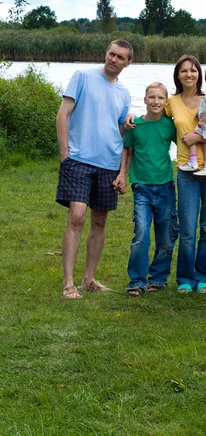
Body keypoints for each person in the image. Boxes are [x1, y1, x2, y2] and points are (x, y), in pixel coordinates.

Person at [56, 39, 133, 300]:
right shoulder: (83, 77)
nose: (114, 59)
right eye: (112, 54)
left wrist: (123, 171)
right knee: (77, 216)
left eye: (120, 57)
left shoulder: (124, 93)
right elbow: (63, 114)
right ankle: (68, 283)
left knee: (99, 221)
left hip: (109, 165)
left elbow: (124, 134)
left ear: (127, 63)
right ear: (106, 53)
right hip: (78, 160)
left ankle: (89, 278)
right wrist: (65, 153)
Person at [166, 54, 206, 294]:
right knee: (187, 227)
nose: (189, 74)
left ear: (199, 74)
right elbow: (153, 118)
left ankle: (203, 277)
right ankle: (184, 277)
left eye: (193, 70)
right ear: (178, 75)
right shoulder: (171, 102)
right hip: (186, 170)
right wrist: (131, 119)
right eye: (184, 71)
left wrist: (199, 137)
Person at [116, 82, 179, 296]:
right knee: (141, 233)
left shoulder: (170, 125)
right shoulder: (135, 125)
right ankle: (137, 280)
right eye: (151, 97)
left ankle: (159, 278)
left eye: (160, 98)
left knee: (166, 235)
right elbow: (127, 151)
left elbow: (186, 143)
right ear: (144, 100)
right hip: (141, 186)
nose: (156, 102)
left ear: (166, 102)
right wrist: (122, 174)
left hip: (165, 186)